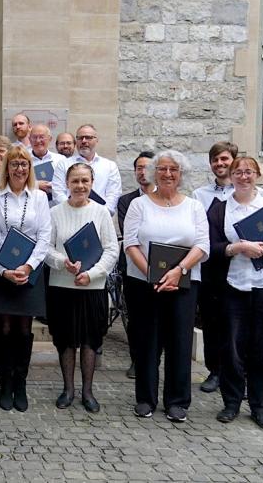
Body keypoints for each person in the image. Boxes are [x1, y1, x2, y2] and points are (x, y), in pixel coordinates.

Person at [207, 157, 263, 430]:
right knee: (231, 349)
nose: (243, 177)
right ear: (230, 176)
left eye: (248, 172)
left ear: (257, 174)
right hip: (232, 288)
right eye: (238, 172)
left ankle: (259, 407)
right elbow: (209, 247)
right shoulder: (220, 210)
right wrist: (235, 249)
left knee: (262, 352)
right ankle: (231, 403)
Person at [123, 150, 209, 423]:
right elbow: (130, 244)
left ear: (181, 174)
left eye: (173, 169)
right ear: (153, 173)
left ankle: (177, 401)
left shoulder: (194, 206)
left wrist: (179, 271)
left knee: (179, 342)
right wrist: (154, 275)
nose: (168, 174)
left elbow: (203, 245)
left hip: (184, 284)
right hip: (144, 283)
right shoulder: (140, 205)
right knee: (147, 340)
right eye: (162, 169)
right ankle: (145, 399)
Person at [0, 145, 51, 412]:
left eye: (24, 164)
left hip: (28, 273)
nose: (19, 169)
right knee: (4, 329)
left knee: (24, 329)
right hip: (2, 272)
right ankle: (5, 383)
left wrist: (28, 266)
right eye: (14, 164)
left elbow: (45, 236)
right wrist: (4, 269)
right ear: (6, 168)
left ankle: (20, 383)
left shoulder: (39, 198)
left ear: (30, 168)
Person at [192, 141, 263, 394]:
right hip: (213, 268)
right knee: (213, 322)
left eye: (224, 159)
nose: (219, 164)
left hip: (244, 268)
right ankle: (215, 371)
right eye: (215, 160)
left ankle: (240, 373)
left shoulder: (256, 194)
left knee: (241, 325)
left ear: (233, 162)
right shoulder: (200, 195)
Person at [45, 163, 119, 413]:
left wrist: (92, 274)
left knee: (90, 340)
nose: (80, 186)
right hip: (61, 285)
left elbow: (111, 249)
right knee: (65, 340)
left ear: (92, 183)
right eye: (75, 181)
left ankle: (87, 391)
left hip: (92, 288)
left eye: (85, 181)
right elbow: (46, 247)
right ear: (66, 183)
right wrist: (61, 262)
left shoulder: (101, 213)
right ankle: (68, 389)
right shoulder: (55, 212)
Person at [116, 150, 155, 379]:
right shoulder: (126, 201)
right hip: (132, 267)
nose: (143, 172)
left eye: (147, 167)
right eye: (139, 168)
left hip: (164, 269)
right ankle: (136, 359)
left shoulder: (169, 197)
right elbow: (130, 233)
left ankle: (155, 357)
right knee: (135, 316)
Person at [52, 124, 122, 215]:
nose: (84, 141)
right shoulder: (64, 164)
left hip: (100, 217)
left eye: (88, 137)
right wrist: (72, 211)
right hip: (70, 215)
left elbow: (114, 194)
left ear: (96, 140)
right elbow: (58, 191)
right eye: (80, 138)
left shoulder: (110, 166)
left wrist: (102, 213)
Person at [28, 123, 61, 203]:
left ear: (50, 139)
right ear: (29, 139)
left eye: (42, 137)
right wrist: (35, 185)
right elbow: (16, 184)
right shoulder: (23, 161)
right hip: (32, 205)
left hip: (56, 205)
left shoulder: (60, 160)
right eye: (34, 137)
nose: (38, 141)